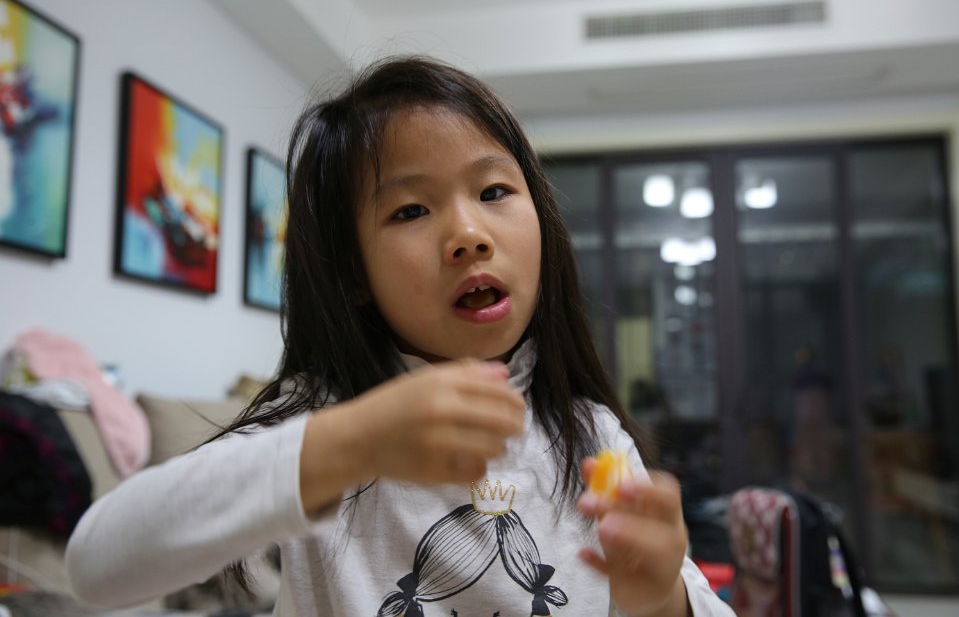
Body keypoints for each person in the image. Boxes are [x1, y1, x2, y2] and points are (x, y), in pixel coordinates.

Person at [66, 56, 734, 617]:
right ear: (354, 272)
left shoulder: (591, 438)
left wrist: (660, 599)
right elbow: (97, 566)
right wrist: (347, 444)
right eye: (411, 209)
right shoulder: (324, 427)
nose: (469, 233)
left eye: (494, 191)